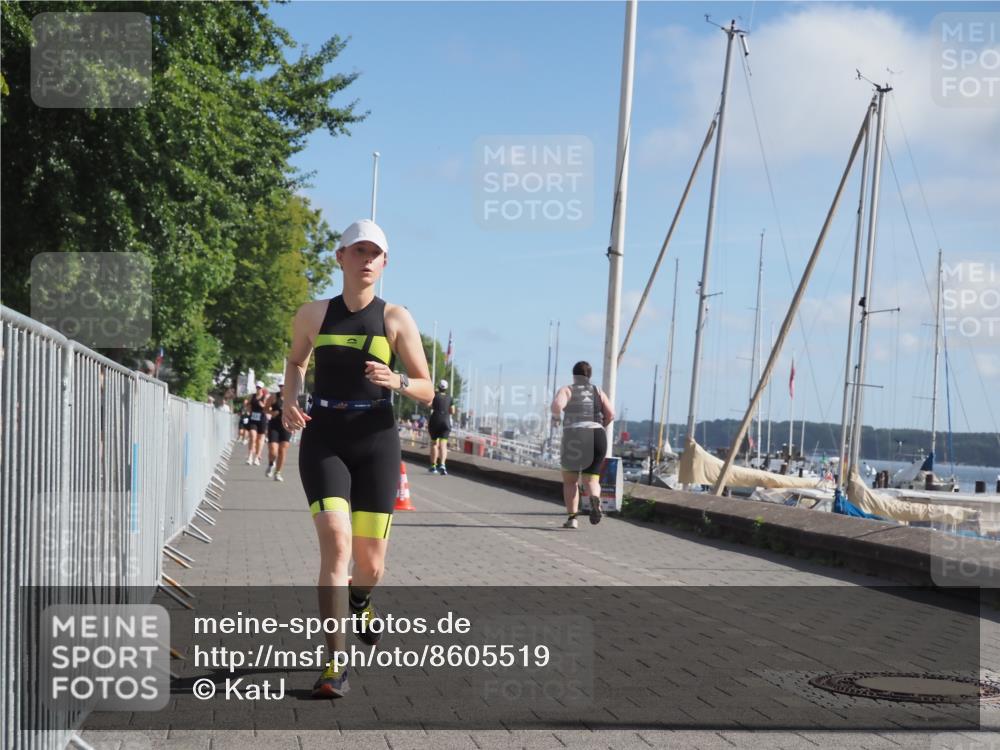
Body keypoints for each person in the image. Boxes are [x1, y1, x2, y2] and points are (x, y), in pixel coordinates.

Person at [281, 219, 433, 698]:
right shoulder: (312, 314)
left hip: (376, 441)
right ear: (340, 257)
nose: (366, 260)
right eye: (358, 251)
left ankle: (361, 598)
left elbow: (428, 388)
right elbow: (295, 362)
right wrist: (290, 398)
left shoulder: (396, 319)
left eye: (375, 254)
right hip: (324, 437)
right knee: (336, 545)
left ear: (384, 264)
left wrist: (399, 382)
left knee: (369, 566)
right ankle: (334, 663)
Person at [550, 361, 614, 529]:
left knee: (570, 481)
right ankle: (595, 502)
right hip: (597, 436)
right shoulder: (598, 391)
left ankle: (572, 519)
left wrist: (556, 419)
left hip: (575, 435)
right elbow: (611, 414)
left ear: (574, 375)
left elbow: (557, 405)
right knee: (591, 480)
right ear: (589, 376)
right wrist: (602, 425)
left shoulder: (568, 390)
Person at [265, 382, 292, 481]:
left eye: (284, 386)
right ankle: (271, 463)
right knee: (273, 450)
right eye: (280, 386)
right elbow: (265, 409)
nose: (282, 388)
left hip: (286, 426)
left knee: (282, 450)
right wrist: (272, 412)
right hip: (274, 426)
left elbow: (296, 411)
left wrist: (293, 425)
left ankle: (278, 473)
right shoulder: (273, 397)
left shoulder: (292, 398)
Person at [427, 379, 454, 475]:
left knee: (434, 443)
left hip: (435, 420)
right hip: (446, 421)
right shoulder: (450, 398)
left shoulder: (435, 396)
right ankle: (442, 464)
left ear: (438, 387)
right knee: (443, 444)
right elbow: (452, 411)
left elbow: (429, 405)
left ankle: (433, 466)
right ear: (446, 388)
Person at [244, 381, 268, 465]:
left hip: (261, 419)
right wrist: (246, 406)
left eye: (259, 388)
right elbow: (248, 406)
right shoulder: (252, 396)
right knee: (252, 436)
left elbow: (268, 408)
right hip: (253, 419)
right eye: (257, 387)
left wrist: (263, 406)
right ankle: (250, 456)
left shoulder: (265, 397)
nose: (258, 389)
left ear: (262, 388)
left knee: (259, 440)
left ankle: (257, 457)